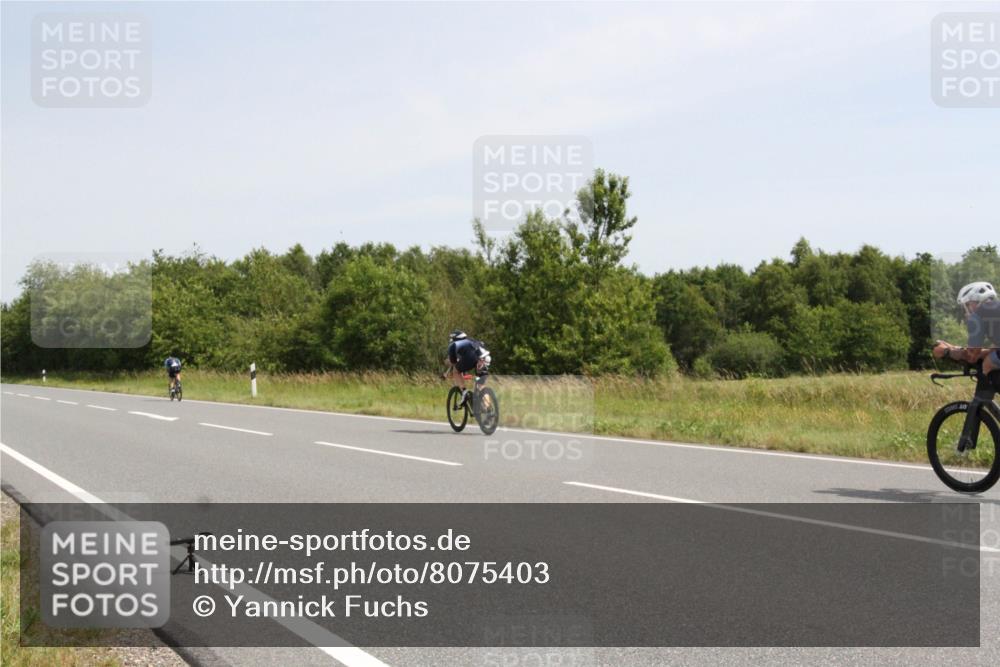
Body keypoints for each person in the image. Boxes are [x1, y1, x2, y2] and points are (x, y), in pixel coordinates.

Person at [933, 281, 1000, 379]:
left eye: (968, 304)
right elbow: (993, 349)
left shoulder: (978, 315)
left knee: (987, 364)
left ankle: (981, 394)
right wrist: (956, 348)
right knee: (993, 356)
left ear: (977, 301)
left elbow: (972, 357)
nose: (967, 309)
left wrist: (946, 351)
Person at [443, 330, 491, 405]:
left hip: (472, 358)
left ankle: (464, 392)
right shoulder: (473, 341)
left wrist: (449, 364)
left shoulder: (455, 345)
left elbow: (453, 362)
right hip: (485, 358)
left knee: (456, 371)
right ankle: (488, 409)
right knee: (481, 385)